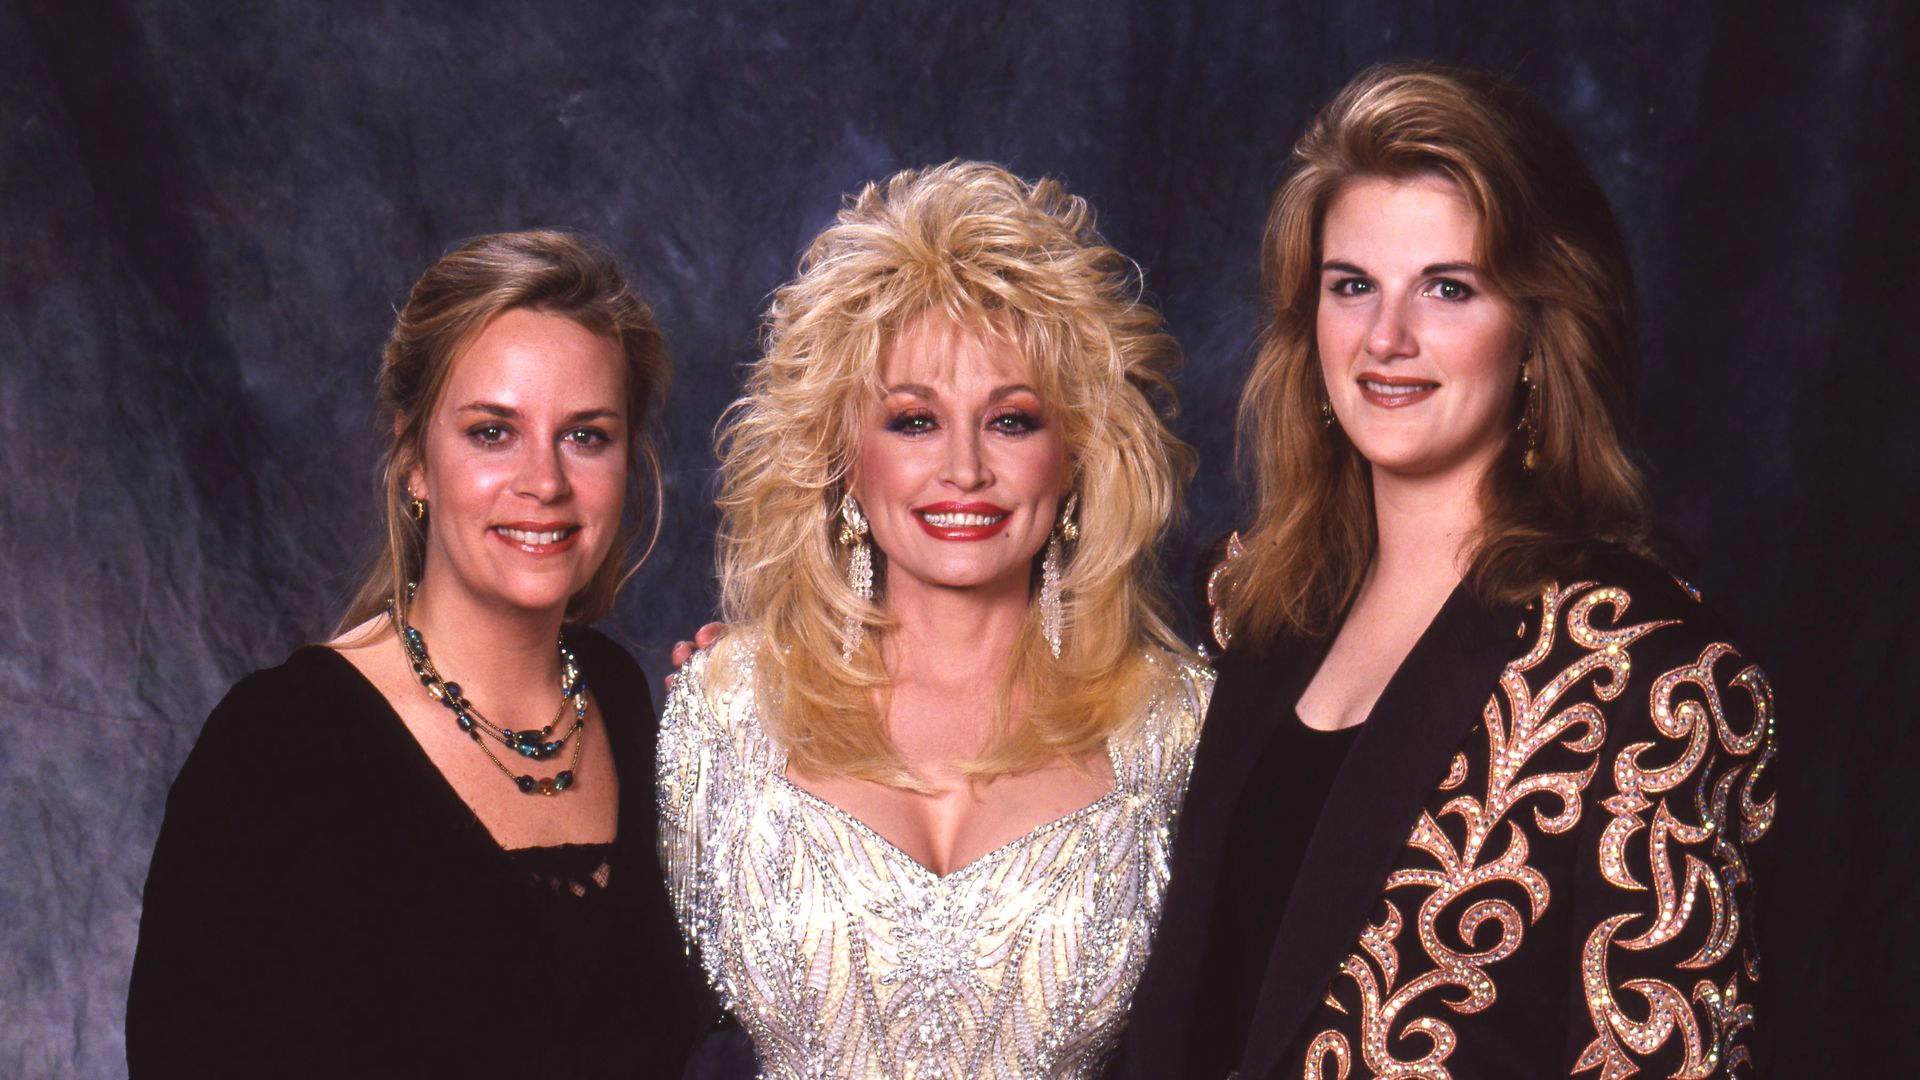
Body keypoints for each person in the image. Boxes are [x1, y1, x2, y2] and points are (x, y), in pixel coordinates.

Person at [1119, 63, 1777, 1078]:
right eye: (1352, 287)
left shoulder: (1654, 677)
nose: (1387, 340)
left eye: (1448, 288)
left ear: (1536, 328)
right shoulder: (1251, 601)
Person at [657, 161, 1212, 1078]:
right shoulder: (720, 711)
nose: (964, 470)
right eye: (914, 421)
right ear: (842, 457)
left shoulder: (1182, 729)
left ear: (1074, 457)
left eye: (1013, 421)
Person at [126, 231, 706, 1075]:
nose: (544, 482)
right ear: (414, 463)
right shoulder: (280, 745)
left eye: (586, 436)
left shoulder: (619, 698)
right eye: (492, 432)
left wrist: (762, 737)